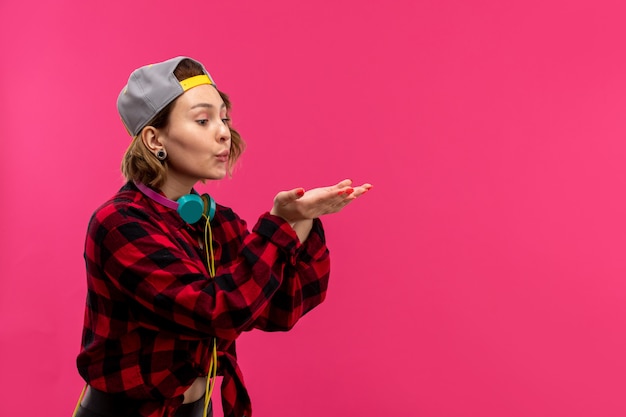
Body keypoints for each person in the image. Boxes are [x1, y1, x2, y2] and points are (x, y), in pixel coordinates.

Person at [73, 56, 372, 417]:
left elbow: (280, 309)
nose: (223, 132)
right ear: (154, 139)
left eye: (224, 117)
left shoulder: (213, 220)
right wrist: (278, 225)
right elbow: (218, 311)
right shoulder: (119, 223)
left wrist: (302, 221)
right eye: (203, 120)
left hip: (198, 410)